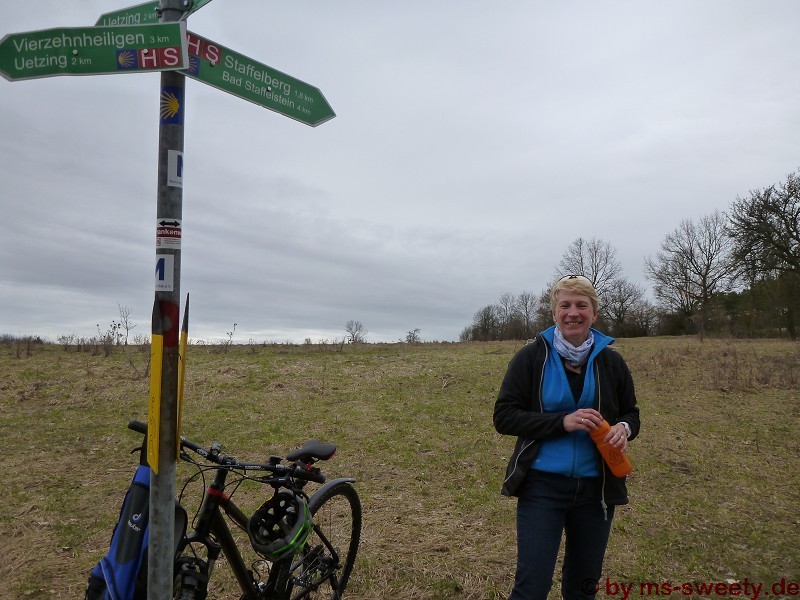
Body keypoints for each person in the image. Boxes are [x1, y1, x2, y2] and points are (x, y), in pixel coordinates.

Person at [493, 275, 640, 600]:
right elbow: (504, 417)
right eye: (565, 305)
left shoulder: (612, 362)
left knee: (583, 588)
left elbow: (631, 413)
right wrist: (562, 422)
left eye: (581, 305)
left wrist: (623, 428)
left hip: (596, 490)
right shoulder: (531, 358)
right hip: (541, 487)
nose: (573, 312)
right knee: (531, 587)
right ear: (554, 313)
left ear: (594, 313)